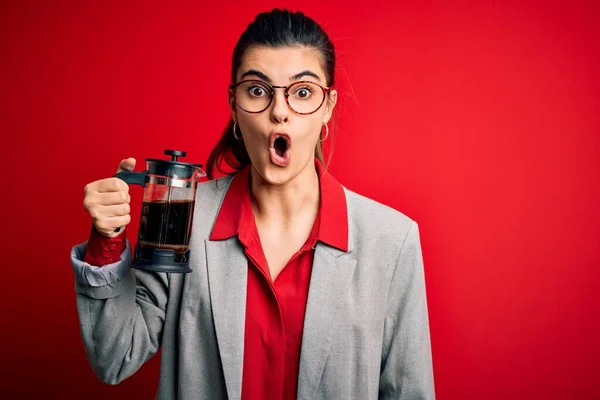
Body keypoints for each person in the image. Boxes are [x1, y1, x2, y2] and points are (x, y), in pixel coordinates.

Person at [70, 8, 435, 400]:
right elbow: (115, 356)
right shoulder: (184, 215)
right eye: (258, 90)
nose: (279, 112)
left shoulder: (392, 242)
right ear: (234, 105)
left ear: (328, 106)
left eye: (303, 92)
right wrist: (107, 241)